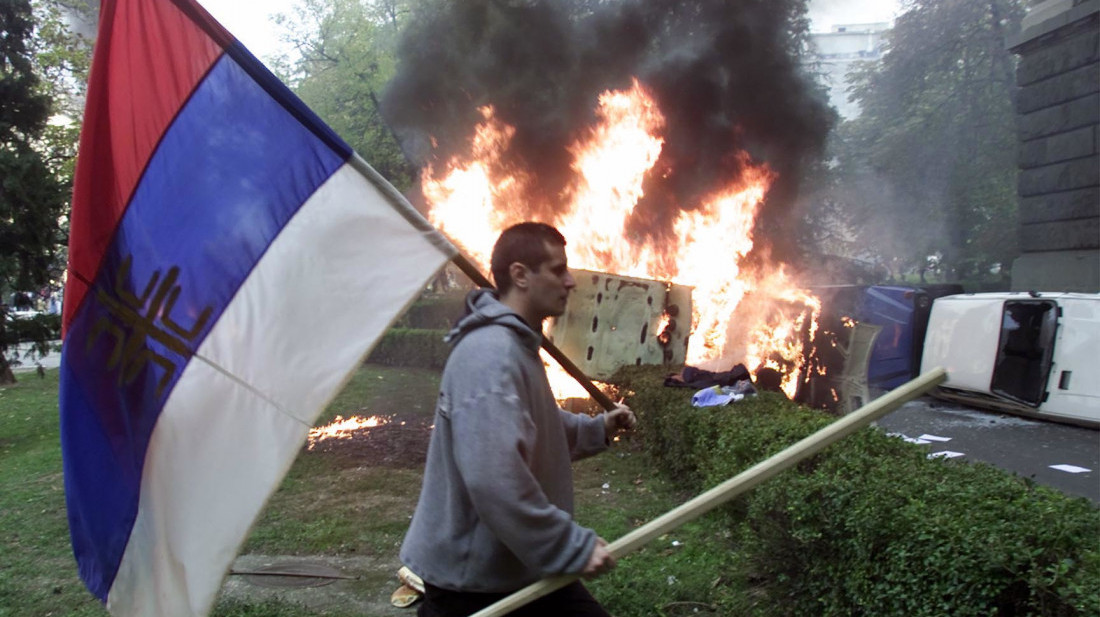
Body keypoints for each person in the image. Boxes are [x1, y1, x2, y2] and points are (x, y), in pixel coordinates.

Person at [400, 222, 637, 617]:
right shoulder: (491, 354)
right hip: (475, 584)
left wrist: (597, 429)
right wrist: (568, 546)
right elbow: (495, 481)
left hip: (516, 568)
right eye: (557, 269)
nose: (570, 281)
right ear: (520, 275)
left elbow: (531, 423)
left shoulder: (514, 345)